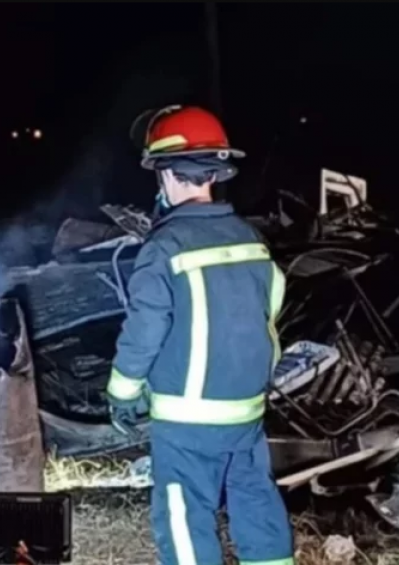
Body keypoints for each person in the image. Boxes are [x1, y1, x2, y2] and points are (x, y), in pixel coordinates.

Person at [106, 105, 294, 565]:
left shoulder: (163, 247)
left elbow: (146, 328)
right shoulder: (250, 238)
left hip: (186, 421)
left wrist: (122, 391)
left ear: (166, 173)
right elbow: (271, 305)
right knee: (255, 502)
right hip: (246, 411)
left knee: (184, 515)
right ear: (212, 172)